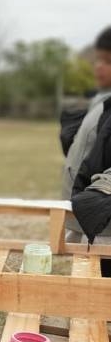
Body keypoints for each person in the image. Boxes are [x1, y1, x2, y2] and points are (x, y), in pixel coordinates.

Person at [61, 26, 111, 242]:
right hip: (82, 216)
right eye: (98, 60)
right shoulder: (101, 101)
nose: (99, 67)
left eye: (108, 61)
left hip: (104, 228)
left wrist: (100, 193)